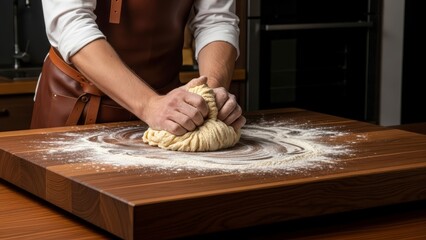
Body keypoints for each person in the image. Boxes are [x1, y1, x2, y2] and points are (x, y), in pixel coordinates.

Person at [31, 0, 246, 135]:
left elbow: (216, 20)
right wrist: (150, 105)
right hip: (75, 107)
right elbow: (71, 26)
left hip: (169, 111)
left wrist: (210, 94)